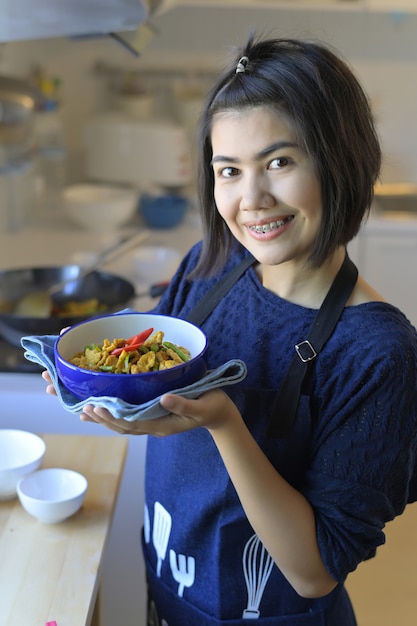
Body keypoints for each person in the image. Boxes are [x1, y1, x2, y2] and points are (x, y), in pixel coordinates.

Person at [43, 35, 417, 625]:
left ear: (339, 157)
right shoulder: (207, 265)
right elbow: (160, 396)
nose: (251, 199)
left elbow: (315, 570)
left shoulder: (377, 351)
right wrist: (120, 402)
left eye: (279, 162)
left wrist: (224, 422)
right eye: (229, 170)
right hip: (169, 589)